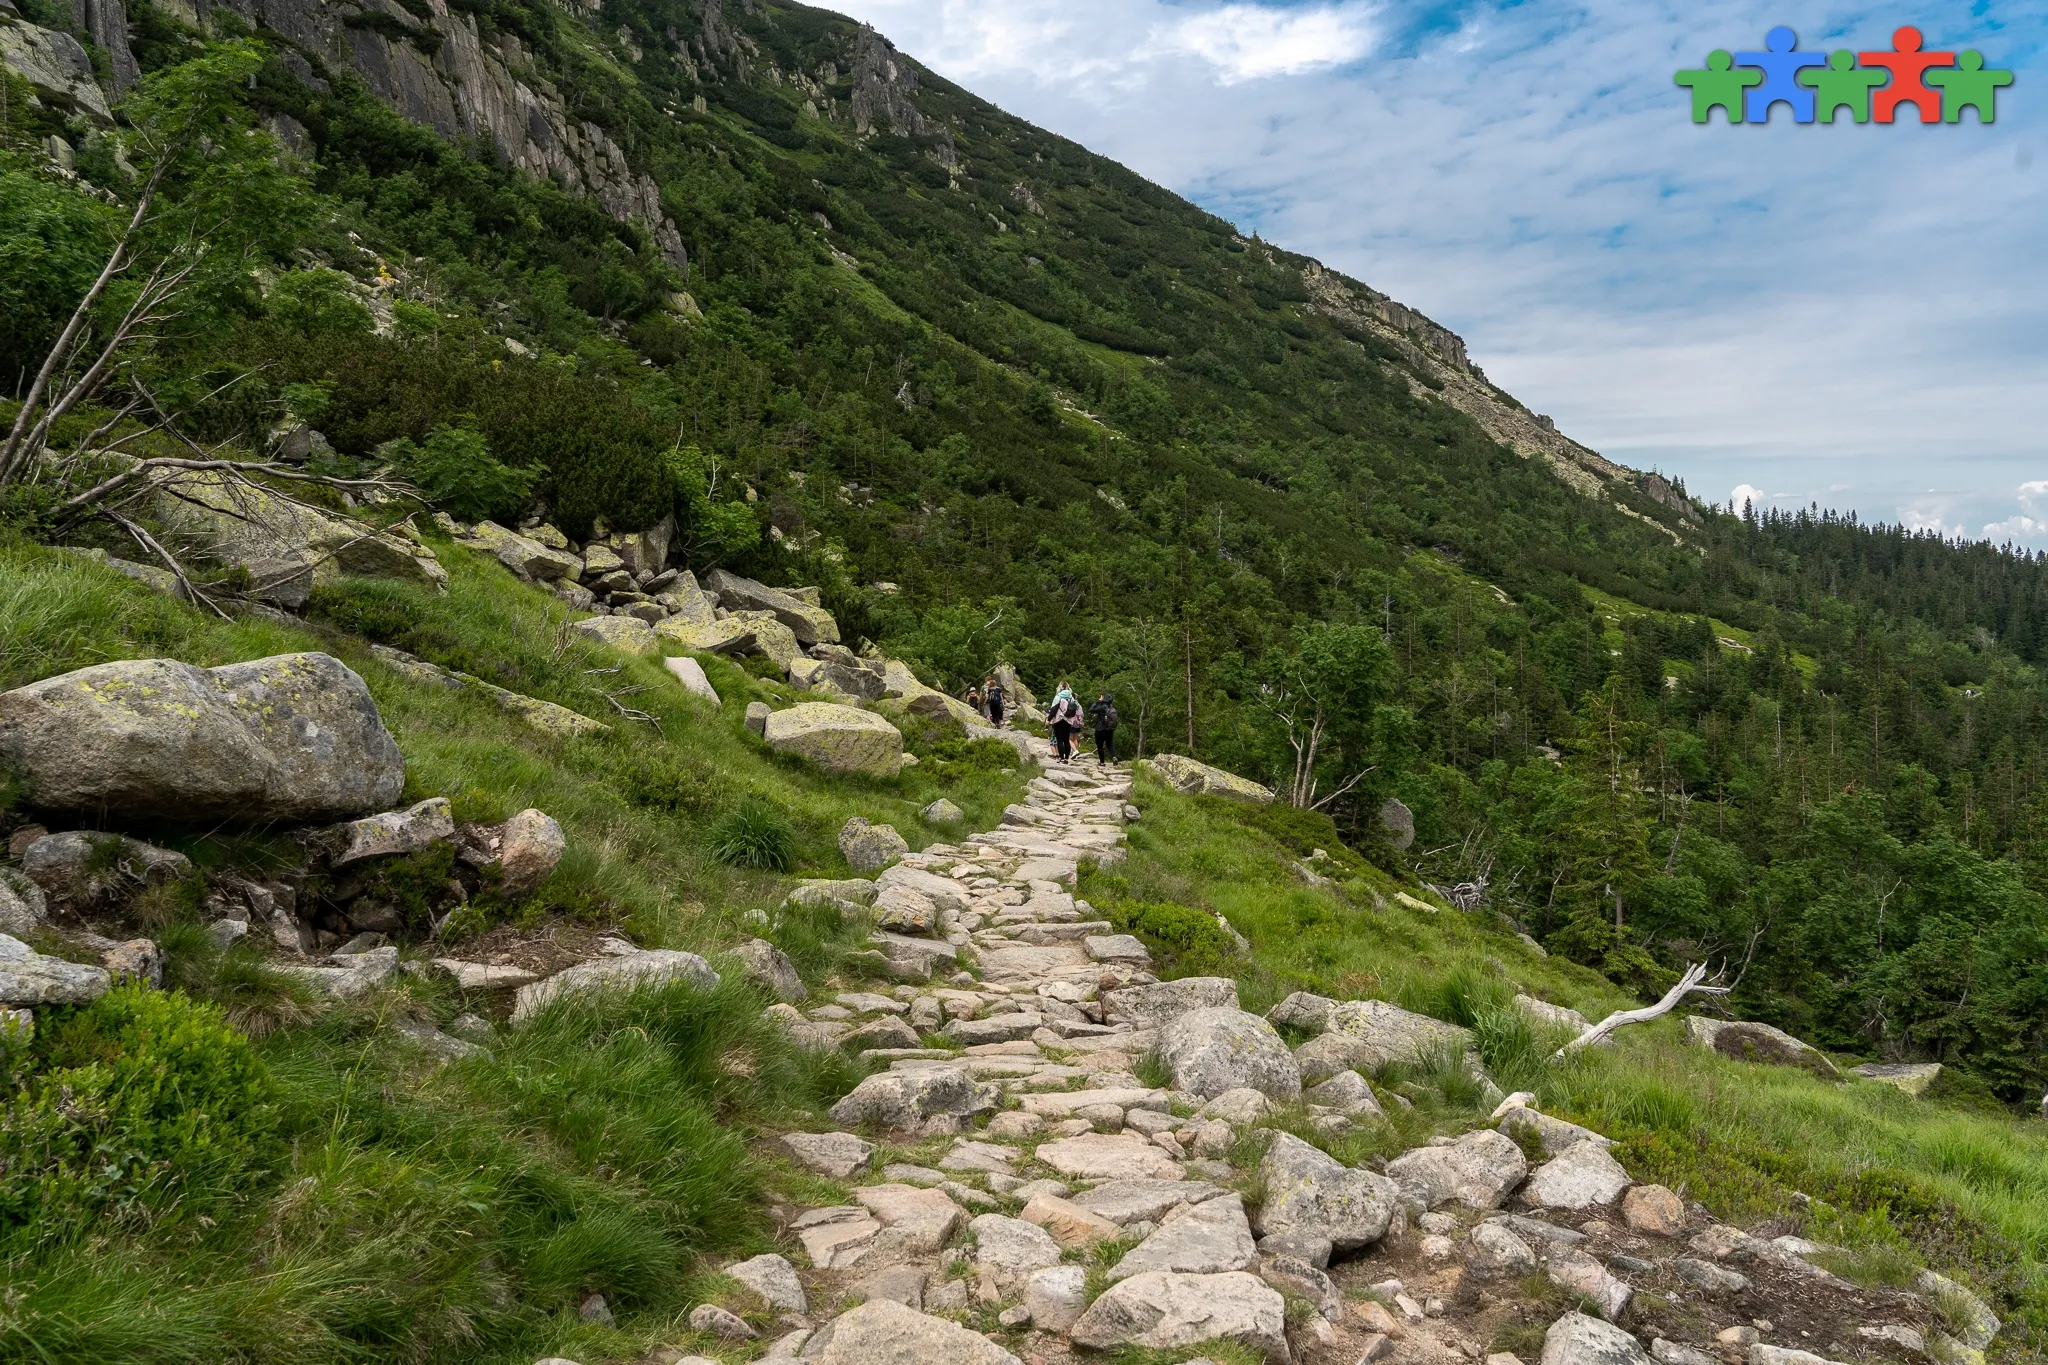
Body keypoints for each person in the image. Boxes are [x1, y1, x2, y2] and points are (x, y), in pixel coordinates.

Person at [1048, 683, 1083, 763]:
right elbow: (1076, 708)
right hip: (1069, 721)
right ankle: (1067, 758)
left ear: (1061, 689)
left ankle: (1062, 758)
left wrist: (1049, 719)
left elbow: (1053, 709)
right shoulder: (1071, 697)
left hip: (1058, 720)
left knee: (1060, 740)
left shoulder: (1058, 697)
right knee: (1066, 740)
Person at [1088, 691, 1119, 766]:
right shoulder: (1111, 708)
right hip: (1109, 729)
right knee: (1110, 744)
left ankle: (1102, 762)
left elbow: (1091, 709)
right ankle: (1114, 757)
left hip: (1100, 729)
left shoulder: (1102, 707)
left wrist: (1098, 701)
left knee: (1100, 746)